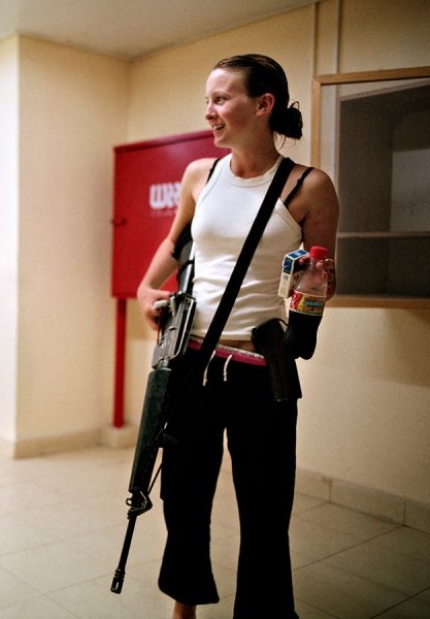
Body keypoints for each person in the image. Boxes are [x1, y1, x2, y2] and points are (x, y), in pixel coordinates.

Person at [136, 54, 338, 618]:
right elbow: (177, 245)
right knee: (184, 496)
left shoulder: (308, 186)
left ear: (263, 104)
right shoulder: (201, 174)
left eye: (221, 99)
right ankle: (185, 606)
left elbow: (318, 281)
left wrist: (315, 291)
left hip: (260, 371)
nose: (210, 112)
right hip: (192, 362)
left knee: (266, 507)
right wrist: (147, 289)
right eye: (208, 100)